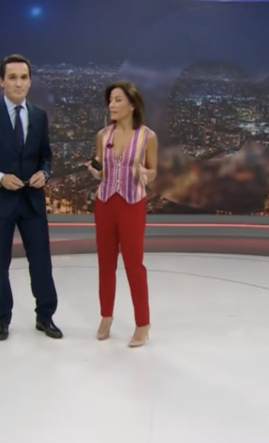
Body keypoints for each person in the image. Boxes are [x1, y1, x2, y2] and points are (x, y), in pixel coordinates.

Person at [0, 54, 62, 341]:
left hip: (32, 202)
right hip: (0, 203)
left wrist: (44, 173)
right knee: (0, 265)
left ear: (30, 82)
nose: (19, 83)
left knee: (41, 262)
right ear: (1, 82)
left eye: (24, 77)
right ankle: (2, 319)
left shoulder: (39, 116)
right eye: (13, 78)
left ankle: (45, 316)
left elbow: (46, 156)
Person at [86, 81, 158, 348]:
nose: (112, 105)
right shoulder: (102, 135)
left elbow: (154, 171)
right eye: (110, 100)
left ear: (132, 104)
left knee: (133, 264)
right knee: (105, 263)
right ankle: (106, 316)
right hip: (105, 204)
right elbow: (103, 171)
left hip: (132, 205)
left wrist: (146, 174)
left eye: (118, 100)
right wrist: (97, 173)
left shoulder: (148, 137)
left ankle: (143, 323)